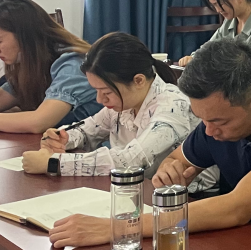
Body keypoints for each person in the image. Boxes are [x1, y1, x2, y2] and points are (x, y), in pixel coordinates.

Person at [46, 40, 251, 250]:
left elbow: (237, 208)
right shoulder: (218, 117)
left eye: (218, 121)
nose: (208, 131)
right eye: (202, 119)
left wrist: (120, 228)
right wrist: (172, 170)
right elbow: (178, 159)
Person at [19, 33, 198, 177]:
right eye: (96, 91)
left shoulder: (172, 107)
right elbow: (86, 130)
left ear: (138, 80)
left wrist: (53, 164)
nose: (99, 100)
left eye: (106, 92)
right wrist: (62, 138)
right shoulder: (125, 103)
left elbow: (130, 161)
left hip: (187, 198)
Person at [0, 0, 101, 134]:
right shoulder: (32, 63)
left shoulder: (72, 64)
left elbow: (39, 122)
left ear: (24, 36)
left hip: (93, 150)